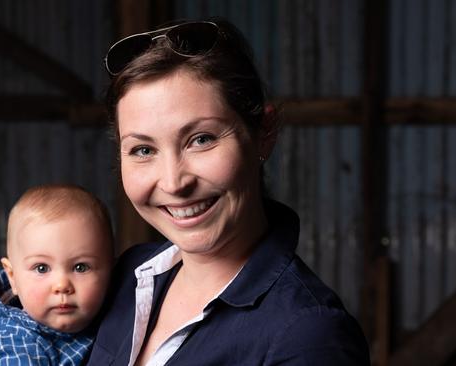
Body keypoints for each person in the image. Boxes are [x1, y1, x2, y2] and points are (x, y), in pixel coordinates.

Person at [86, 18, 370, 365]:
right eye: (143, 150)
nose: (174, 183)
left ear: (263, 132)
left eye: (201, 139)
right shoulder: (122, 278)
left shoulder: (308, 335)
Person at [0, 184, 113, 365]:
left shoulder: (113, 317)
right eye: (41, 268)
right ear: (12, 277)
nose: (62, 285)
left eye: (80, 267)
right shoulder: (11, 343)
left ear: (111, 272)